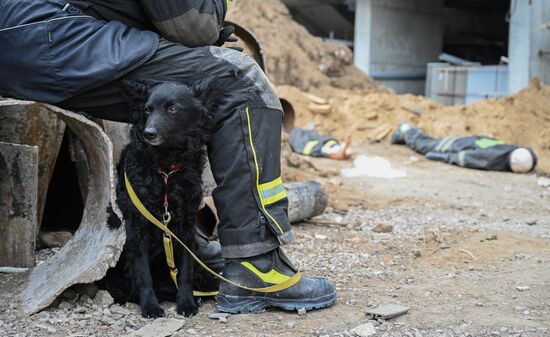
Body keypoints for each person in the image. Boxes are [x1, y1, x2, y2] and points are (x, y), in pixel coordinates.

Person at [0, 0, 336, 313]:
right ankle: (256, 265)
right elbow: (190, 25)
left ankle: (177, 242)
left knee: (186, 98)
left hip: (38, 35)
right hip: (50, 37)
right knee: (240, 82)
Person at [391, 121, 537, 173]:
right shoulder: (494, 158)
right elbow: (467, 158)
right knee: (424, 145)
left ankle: (409, 132)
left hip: (465, 141)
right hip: (455, 147)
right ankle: (406, 129)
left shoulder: (510, 148)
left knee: (429, 142)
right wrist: (445, 157)